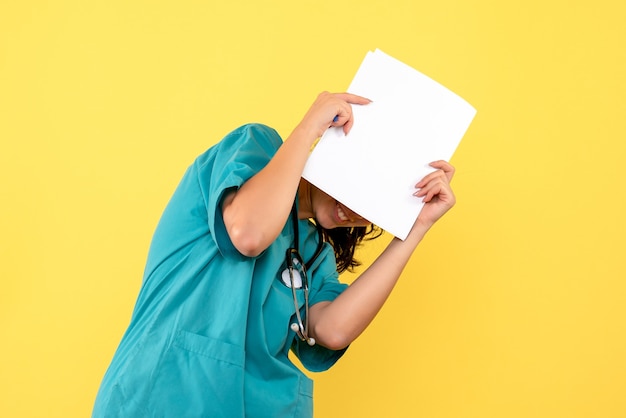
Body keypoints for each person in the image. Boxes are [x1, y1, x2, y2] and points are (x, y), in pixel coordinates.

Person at [92, 92, 456, 417]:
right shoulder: (256, 149)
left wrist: (416, 227)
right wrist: (309, 127)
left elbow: (332, 330)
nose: (357, 213)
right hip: (166, 396)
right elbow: (248, 234)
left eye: (375, 206)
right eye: (361, 186)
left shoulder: (315, 253)